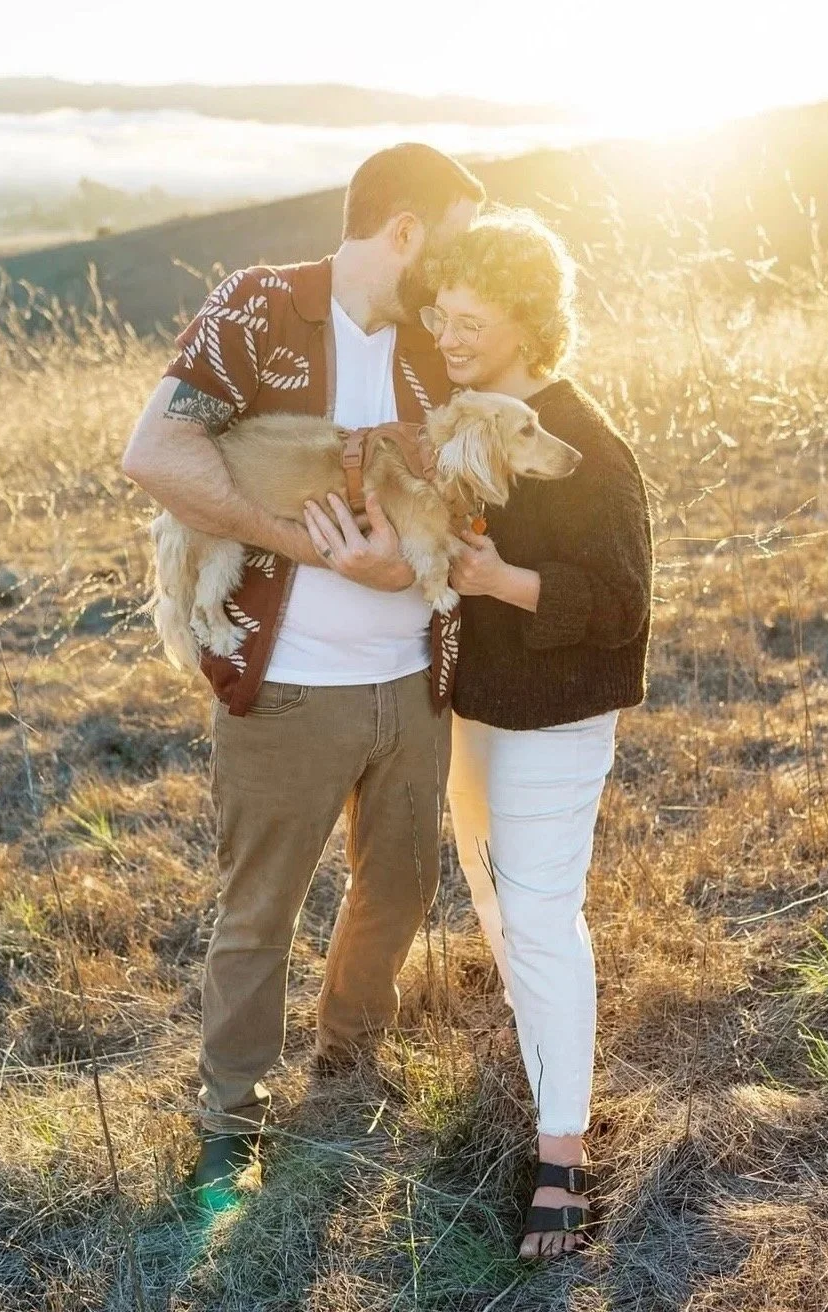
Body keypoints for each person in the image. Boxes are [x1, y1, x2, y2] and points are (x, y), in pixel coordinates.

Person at [122, 144, 484, 1201]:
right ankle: (231, 1117)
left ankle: (349, 1060)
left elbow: (469, 471)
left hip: (417, 678)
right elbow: (156, 453)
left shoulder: (435, 344)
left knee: (400, 888)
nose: (458, 275)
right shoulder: (261, 307)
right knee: (260, 910)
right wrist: (313, 544)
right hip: (289, 685)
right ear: (407, 230)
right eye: (450, 240)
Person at [421, 209, 653, 1259]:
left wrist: (495, 579)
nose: (448, 328)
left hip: (556, 714)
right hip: (476, 708)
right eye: (440, 309)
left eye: (470, 315)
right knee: (496, 902)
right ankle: (535, 1036)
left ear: (525, 322)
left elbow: (622, 603)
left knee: (543, 920)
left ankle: (563, 1153)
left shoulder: (583, 441)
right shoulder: (465, 419)